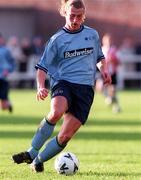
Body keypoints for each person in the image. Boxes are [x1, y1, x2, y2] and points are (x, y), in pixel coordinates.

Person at [12, 0, 111, 172]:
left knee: (65, 135)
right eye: (72, 15)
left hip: (85, 90)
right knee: (56, 112)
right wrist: (40, 86)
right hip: (63, 83)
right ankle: (32, 150)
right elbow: (42, 68)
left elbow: (99, 58)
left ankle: (38, 160)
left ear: (84, 15)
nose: (75, 20)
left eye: (79, 16)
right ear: (64, 13)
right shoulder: (56, 40)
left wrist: (104, 70)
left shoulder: (92, 35)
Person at [101, 33, 121, 113]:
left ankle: (116, 106)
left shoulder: (114, 50)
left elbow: (119, 62)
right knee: (101, 88)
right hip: (103, 72)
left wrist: (113, 59)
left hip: (112, 73)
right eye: (106, 40)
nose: (108, 42)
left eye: (109, 40)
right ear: (103, 41)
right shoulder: (101, 49)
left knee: (112, 90)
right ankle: (109, 99)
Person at [0, 33, 15, 112]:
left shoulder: (6, 50)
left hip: (3, 77)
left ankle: (8, 104)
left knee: (3, 107)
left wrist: (8, 70)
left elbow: (12, 63)